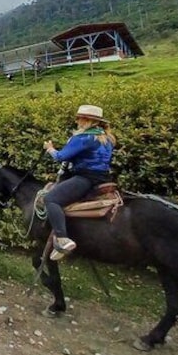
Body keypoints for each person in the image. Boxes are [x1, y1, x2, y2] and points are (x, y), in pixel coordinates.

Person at [42, 104, 116, 261]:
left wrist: (50, 148)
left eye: (79, 118)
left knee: (51, 199)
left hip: (84, 178)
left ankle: (62, 239)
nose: (77, 121)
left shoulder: (84, 138)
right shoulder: (107, 138)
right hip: (102, 178)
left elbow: (61, 157)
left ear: (88, 120)